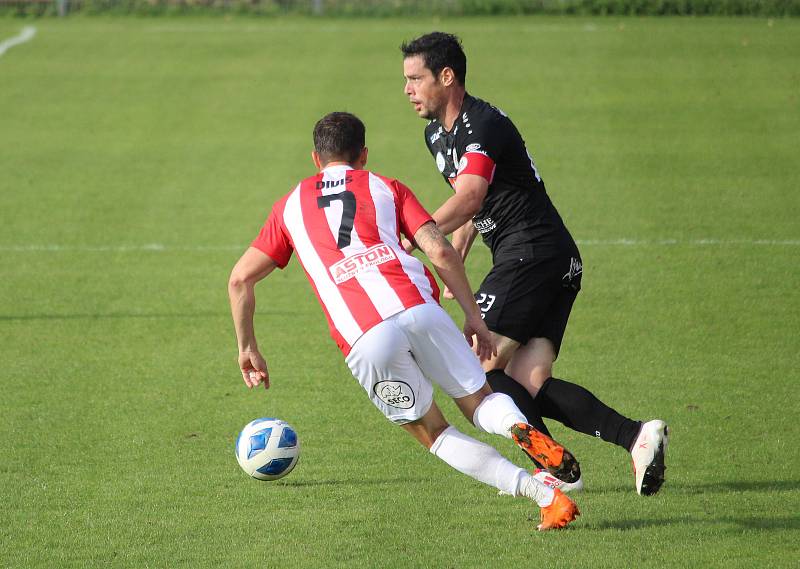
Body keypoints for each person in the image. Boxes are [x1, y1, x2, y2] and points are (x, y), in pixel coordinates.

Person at [228, 111, 580, 530]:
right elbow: (441, 251)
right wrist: (474, 319)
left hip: (365, 336)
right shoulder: (386, 186)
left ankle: (545, 496)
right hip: (420, 309)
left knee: (436, 434)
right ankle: (519, 426)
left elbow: (240, 280)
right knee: (481, 401)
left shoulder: (289, 207)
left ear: (314, 159)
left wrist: (247, 346)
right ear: (363, 155)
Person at [400, 32, 668, 496]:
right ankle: (635, 436)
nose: (408, 89)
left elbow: (469, 197)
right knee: (528, 379)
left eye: (416, 78)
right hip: (550, 258)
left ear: (447, 77)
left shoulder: (481, 124)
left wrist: (413, 236)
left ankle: (555, 469)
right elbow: (472, 209)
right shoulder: (435, 135)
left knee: (475, 364)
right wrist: (454, 253)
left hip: (530, 254)